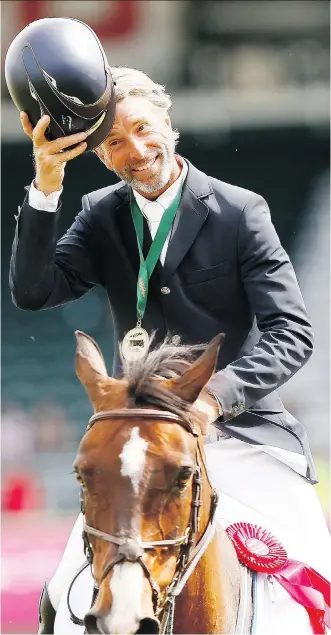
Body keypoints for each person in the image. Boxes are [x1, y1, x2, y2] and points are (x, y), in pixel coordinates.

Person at [10, 67, 330, 633]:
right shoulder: (100, 214)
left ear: (168, 121)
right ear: (102, 157)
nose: (135, 149)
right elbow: (34, 291)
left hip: (237, 434)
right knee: (63, 592)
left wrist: (212, 400)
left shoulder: (240, 211)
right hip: (142, 439)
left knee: (318, 579)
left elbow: (292, 333)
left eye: (142, 127)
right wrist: (47, 181)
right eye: (114, 142)